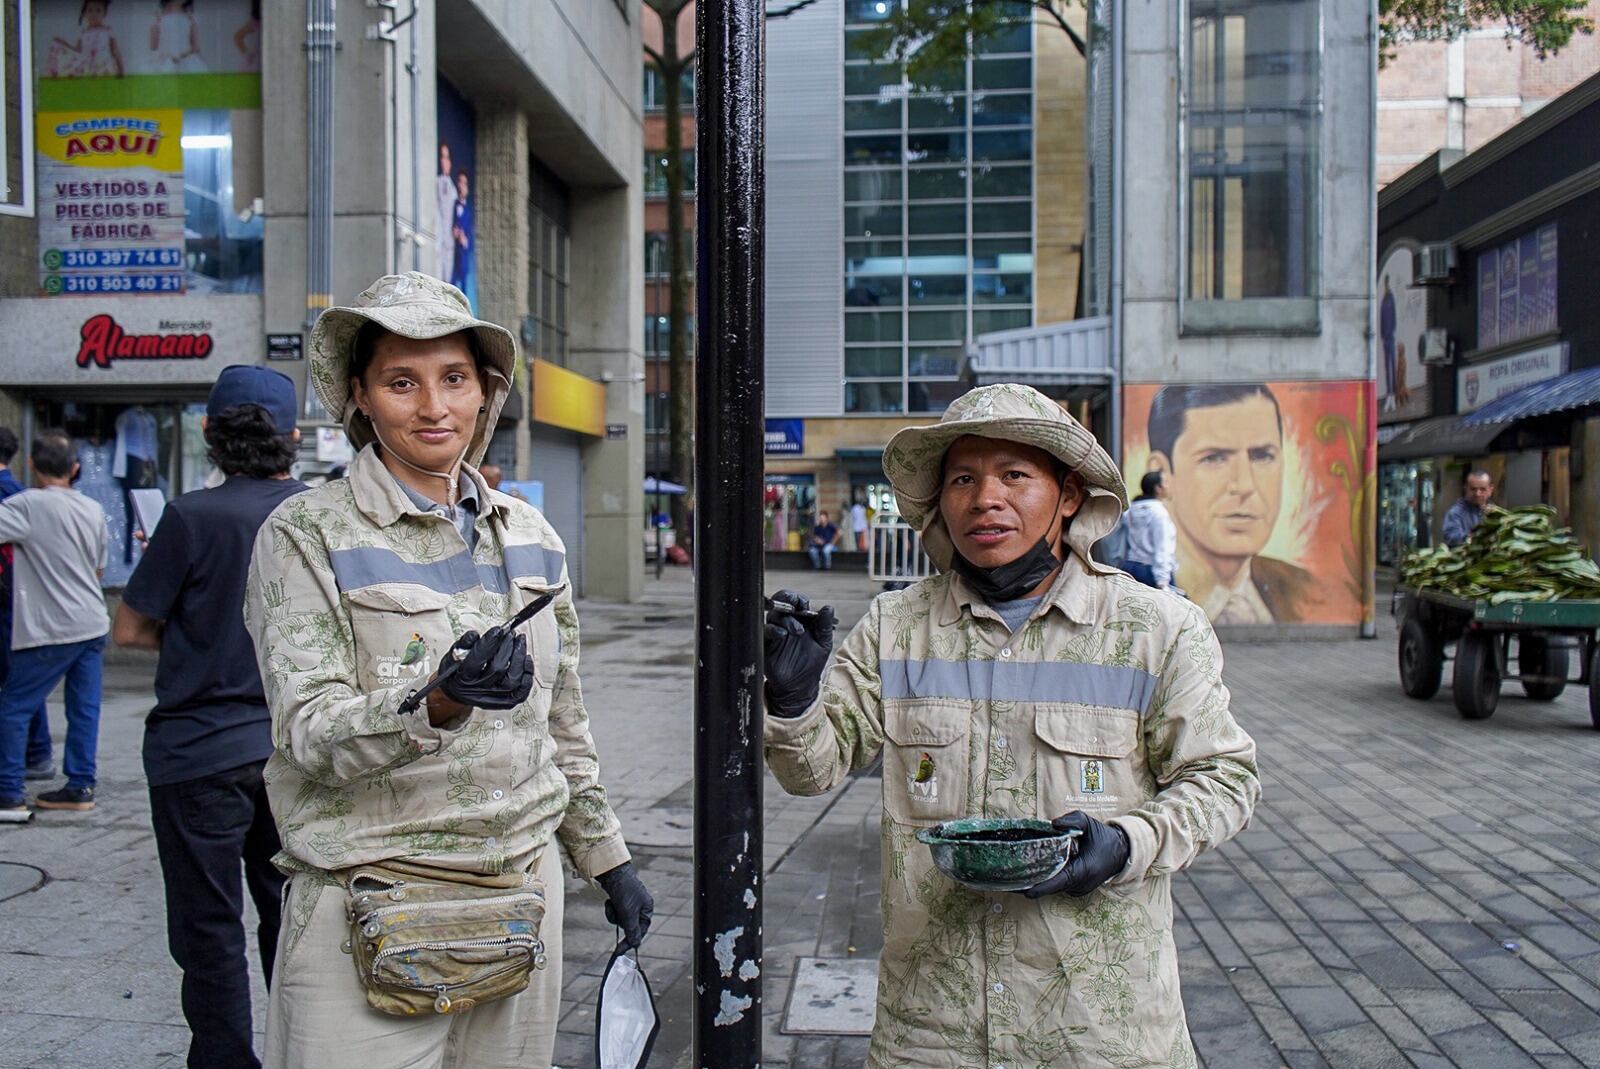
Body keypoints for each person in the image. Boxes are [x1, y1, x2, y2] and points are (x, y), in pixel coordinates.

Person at [762, 383, 1260, 1068]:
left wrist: (1126, 841)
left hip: (1098, 1036)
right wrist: (792, 699)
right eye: (963, 477)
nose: (984, 497)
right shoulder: (896, 627)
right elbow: (811, 769)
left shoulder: (1155, 629)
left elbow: (1225, 777)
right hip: (930, 1033)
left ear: (1069, 495)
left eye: (1014, 475)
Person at [244, 272, 652, 1067]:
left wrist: (608, 857)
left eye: (453, 378)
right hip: (370, 905)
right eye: (402, 381)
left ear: (484, 391)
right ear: (361, 394)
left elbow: (561, 722)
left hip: (520, 901)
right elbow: (307, 730)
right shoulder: (305, 532)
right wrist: (433, 703)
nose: (433, 407)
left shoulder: (532, 535)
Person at [113, 366, 307, 1068]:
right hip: (298, 751)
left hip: (197, 752)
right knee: (295, 921)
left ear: (208, 434)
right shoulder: (317, 515)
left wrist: (196, 631)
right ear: (292, 437)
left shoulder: (189, 516)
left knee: (209, 925)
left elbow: (130, 630)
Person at [0, 431, 110, 822]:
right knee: (84, 707)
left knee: (13, 706)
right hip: (93, 621)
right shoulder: (92, 508)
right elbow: (99, 568)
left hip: (51, 626)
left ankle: (9, 794)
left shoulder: (25, 505)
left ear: (31, 465)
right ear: (75, 468)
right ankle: (80, 786)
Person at [1147, 382, 1316, 624]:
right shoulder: (1148, 598)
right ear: (1162, 472)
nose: (1245, 485)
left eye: (1261, 456)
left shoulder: (1303, 590)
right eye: (1214, 458)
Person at [0, 428, 55, 783]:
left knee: (17, 684)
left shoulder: (11, 496)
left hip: (9, 600)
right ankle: (37, 753)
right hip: (17, 599)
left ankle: (28, 761)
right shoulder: (21, 493)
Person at [1124, 469, 1178, 591]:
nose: (1168, 486)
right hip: (1152, 573)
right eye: (1165, 482)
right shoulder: (1158, 513)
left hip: (1130, 567)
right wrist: (1162, 581)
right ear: (1158, 488)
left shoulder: (1131, 510)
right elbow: (1163, 547)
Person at [1444, 469, 1494, 546]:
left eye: (1482, 489)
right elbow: (1452, 538)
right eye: (1473, 489)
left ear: (1490, 489)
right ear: (1465, 488)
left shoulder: (1496, 513)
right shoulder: (1455, 513)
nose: (1478, 494)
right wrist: (1477, 537)